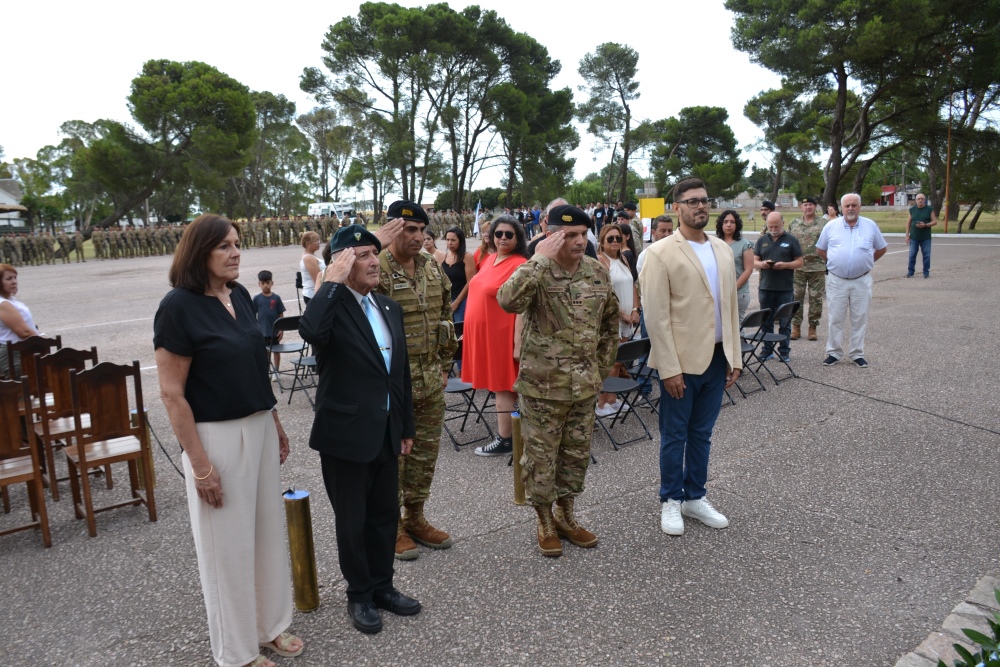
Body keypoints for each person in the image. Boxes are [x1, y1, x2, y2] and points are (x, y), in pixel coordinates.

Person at [154, 214, 303, 667]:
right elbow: (171, 393)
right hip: (216, 438)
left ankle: (269, 625)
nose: (236, 252)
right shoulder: (177, 307)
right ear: (200, 253)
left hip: (257, 426)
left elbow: (256, 367)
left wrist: (274, 421)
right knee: (227, 549)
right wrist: (199, 464)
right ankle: (236, 652)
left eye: (237, 244)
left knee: (265, 535)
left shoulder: (237, 294)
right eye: (224, 246)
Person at [298, 225, 421, 636]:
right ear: (343, 264)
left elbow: (398, 374)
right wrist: (330, 281)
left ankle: (383, 586)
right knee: (352, 520)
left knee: (384, 516)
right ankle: (360, 594)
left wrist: (405, 425)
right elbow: (311, 331)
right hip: (345, 435)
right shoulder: (332, 306)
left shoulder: (388, 307)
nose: (374, 262)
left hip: (385, 430)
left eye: (375, 253)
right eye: (363, 256)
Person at [497, 205, 619, 557]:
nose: (580, 241)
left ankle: (567, 515)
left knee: (575, 456)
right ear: (552, 235)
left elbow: (610, 325)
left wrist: (600, 370)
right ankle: (544, 519)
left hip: (583, 385)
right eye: (570, 235)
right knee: (540, 457)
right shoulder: (536, 270)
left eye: (584, 234)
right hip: (542, 386)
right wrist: (537, 258)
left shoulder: (596, 272)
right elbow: (506, 300)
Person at [639, 177, 742, 537]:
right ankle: (670, 499)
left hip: (716, 357)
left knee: (702, 433)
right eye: (692, 201)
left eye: (704, 200)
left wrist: (735, 355)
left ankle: (695, 496)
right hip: (680, 363)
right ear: (677, 207)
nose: (701, 206)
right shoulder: (660, 253)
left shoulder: (722, 250)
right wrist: (668, 368)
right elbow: (656, 316)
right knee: (674, 434)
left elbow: (729, 306)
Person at [374, 200, 459, 561]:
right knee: (394, 456)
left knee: (424, 454)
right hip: (392, 382)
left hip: (429, 378)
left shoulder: (429, 265)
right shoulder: (374, 265)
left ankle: (416, 517)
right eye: (409, 230)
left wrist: (444, 364)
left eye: (422, 230)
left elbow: (444, 315)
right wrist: (373, 242)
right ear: (392, 229)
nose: (417, 237)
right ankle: (391, 527)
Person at [462, 215, 528, 457]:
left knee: (503, 387)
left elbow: (522, 306)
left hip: (503, 335)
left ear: (518, 238)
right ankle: (511, 434)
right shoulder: (490, 258)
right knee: (499, 387)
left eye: (508, 235)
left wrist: (517, 342)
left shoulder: (520, 263)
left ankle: (506, 439)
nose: (502, 238)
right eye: (497, 234)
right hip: (485, 335)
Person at [816, 193, 888, 368]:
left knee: (859, 318)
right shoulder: (831, 226)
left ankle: (857, 353)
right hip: (837, 280)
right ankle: (833, 352)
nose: (850, 209)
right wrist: (834, 263)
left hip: (861, 281)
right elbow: (820, 249)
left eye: (854, 205)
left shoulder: (870, 226)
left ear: (860, 206)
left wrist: (866, 262)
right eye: (847, 205)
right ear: (841, 207)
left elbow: (881, 248)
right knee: (835, 317)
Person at [595, 224, 639, 416]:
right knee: (609, 362)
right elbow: (605, 294)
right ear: (602, 242)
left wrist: (636, 309)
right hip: (613, 319)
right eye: (610, 239)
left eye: (618, 238)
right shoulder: (600, 261)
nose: (615, 242)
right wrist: (623, 314)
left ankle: (612, 399)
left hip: (629, 317)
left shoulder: (623, 259)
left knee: (620, 361)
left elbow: (633, 286)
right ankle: (602, 403)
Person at [753, 212, 804, 361]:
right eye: (770, 226)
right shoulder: (762, 240)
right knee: (766, 321)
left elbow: (800, 262)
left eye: (776, 226)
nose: (773, 229)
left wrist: (786, 265)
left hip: (784, 288)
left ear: (783, 223)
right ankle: (767, 349)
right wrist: (761, 264)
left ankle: (784, 350)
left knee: (785, 321)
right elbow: (754, 260)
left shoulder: (791, 240)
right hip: (765, 287)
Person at [788, 196, 826, 341]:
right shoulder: (794, 223)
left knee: (816, 298)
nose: (808, 207)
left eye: (811, 204)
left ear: (815, 207)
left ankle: (813, 327)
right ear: (801, 207)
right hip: (798, 268)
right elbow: (789, 243)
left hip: (817, 267)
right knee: (796, 297)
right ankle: (796, 327)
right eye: (805, 205)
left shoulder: (824, 223)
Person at [0, 264, 40, 379]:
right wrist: (43, 343)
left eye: (15, 277)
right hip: (13, 352)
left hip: (21, 349)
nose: (14, 282)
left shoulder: (10, 300)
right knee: (21, 391)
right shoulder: (3, 304)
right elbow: (24, 332)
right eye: (8, 279)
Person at [715, 210, 753, 325]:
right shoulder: (715, 243)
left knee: (736, 327)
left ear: (737, 225)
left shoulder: (744, 244)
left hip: (738, 293)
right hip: (718, 292)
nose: (729, 224)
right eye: (725, 222)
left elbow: (748, 270)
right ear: (721, 224)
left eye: (732, 222)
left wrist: (732, 289)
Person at [254, 270, 286, 380]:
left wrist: (281, 329)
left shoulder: (276, 298)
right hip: (262, 331)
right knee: (265, 351)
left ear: (272, 283)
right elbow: (253, 315)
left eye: (267, 282)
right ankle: (266, 370)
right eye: (262, 283)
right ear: (259, 284)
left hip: (274, 331)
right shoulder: (257, 299)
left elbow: (281, 314)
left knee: (276, 350)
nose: (265, 285)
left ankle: (276, 370)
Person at [441, 226, 475, 323]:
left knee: (460, 331)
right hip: (446, 301)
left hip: (462, 300)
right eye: (447, 240)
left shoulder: (467, 257)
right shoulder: (444, 257)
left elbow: (470, 282)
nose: (449, 243)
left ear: (460, 241)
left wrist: (457, 302)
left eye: (453, 240)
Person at [906, 193, 936, 278]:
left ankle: (926, 272)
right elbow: (908, 222)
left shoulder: (929, 209)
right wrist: (907, 235)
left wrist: (925, 225)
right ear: (915, 200)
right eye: (918, 199)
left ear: (924, 200)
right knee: (912, 254)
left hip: (925, 237)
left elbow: (934, 221)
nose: (920, 200)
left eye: (922, 199)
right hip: (914, 236)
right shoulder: (912, 210)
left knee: (926, 254)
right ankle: (910, 271)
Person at [299, 231, 326, 305]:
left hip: (314, 293)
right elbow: (318, 279)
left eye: (319, 240)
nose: (319, 243)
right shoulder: (308, 258)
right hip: (313, 295)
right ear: (308, 244)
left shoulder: (310, 255)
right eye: (316, 241)